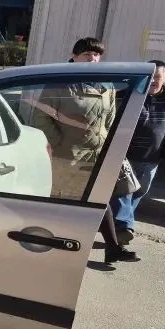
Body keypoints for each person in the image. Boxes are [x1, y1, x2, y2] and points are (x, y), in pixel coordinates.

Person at [30, 37, 123, 264]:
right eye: (87, 54)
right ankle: (53, 249)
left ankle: (113, 247)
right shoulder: (62, 83)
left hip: (96, 154)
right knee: (66, 204)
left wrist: (107, 144)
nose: (93, 59)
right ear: (74, 56)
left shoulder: (107, 85)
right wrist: (57, 142)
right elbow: (41, 116)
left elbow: (110, 119)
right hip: (67, 155)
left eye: (96, 55)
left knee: (99, 199)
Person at [110, 60, 165, 255]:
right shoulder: (128, 95)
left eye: (158, 77)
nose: (154, 81)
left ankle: (117, 229)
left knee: (139, 193)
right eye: (150, 77)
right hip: (126, 156)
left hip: (152, 158)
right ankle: (124, 227)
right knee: (124, 192)